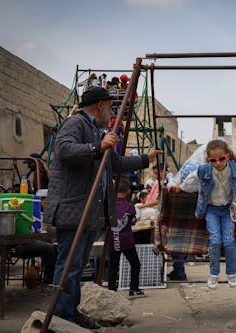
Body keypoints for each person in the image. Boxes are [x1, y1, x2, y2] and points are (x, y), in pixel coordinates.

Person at [43, 86, 161, 329]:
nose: (112, 111)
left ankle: (70, 311)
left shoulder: (96, 130)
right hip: (74, 209)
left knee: (76, 265)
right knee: (69, 266)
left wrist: (144, 159)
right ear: (99, 106)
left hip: (87, 212)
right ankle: (63, 314)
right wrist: (97, 148)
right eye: (109, 106)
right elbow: (64, 150)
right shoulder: (76, 123)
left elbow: (114, 162)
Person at [171, 139, 236, 289]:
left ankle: (232, 274)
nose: (217, 163)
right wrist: (179, 188)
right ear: (208, 160)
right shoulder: (203, 170)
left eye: (221, 159)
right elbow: (190, 183)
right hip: (211, 210)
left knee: (229, 241)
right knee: (215, 240)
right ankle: (214, 274)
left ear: (227, 156)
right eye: (213, 160)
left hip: (228, 210)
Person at [107, 179, 146, 298]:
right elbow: (133, 221)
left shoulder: (109, 205)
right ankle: (133, 289)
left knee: (113, 266)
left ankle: (111, 291)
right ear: (128, 191)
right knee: (135, 264)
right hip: (127, 241)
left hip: (113, 241)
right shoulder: (129, 207)